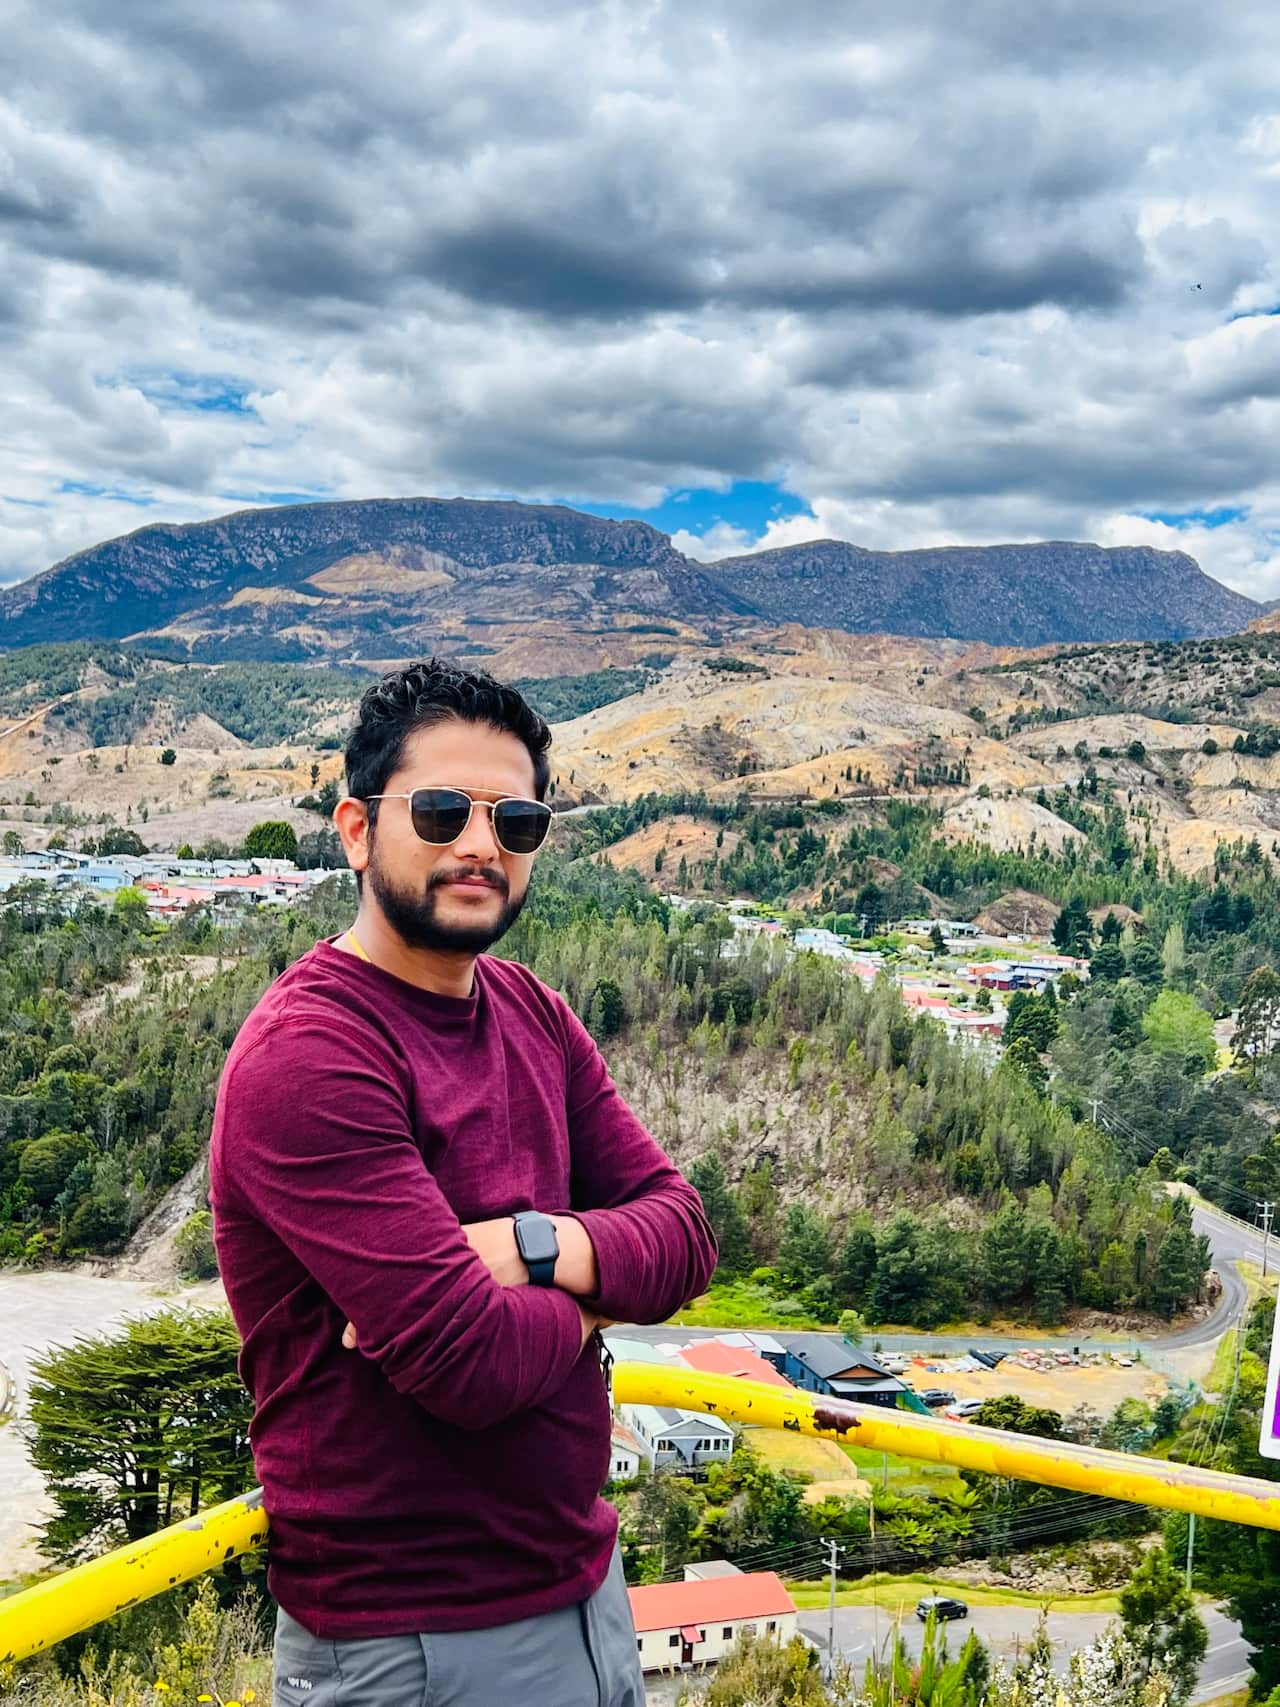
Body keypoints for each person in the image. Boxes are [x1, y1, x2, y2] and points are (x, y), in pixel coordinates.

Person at [209, 658, 718, 1707]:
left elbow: (684, 1236)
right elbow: (470, 1366)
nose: (480, 844)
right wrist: (594, 1306)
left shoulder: (530, 1010)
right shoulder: (312, 1053)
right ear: (356, 830)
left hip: (586, 1592)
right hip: (412, 1644)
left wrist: (533, 1247)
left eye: (514, 820)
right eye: (441, 812)